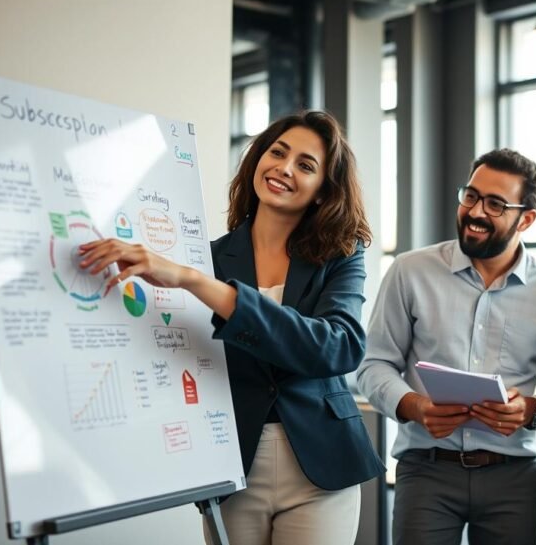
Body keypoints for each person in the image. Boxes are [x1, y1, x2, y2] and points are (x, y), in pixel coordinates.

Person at [79, 111, 383, 545]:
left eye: (305, 165)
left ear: (322, 192)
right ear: (258, 158)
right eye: (277, 152)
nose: (284, 168)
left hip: (322, 464)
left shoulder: (340, 255)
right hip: (233, 459)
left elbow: (337, 348)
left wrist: (197, 283)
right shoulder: (206, 257)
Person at [357, 148, 536, 545]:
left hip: (514, 475)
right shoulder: (409, 272)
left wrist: (531, 409)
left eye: (495, 204)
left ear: (526, 218)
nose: (476, 211)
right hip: (426, 470)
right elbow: (374, 365)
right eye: (471, 196)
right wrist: (416, 406)